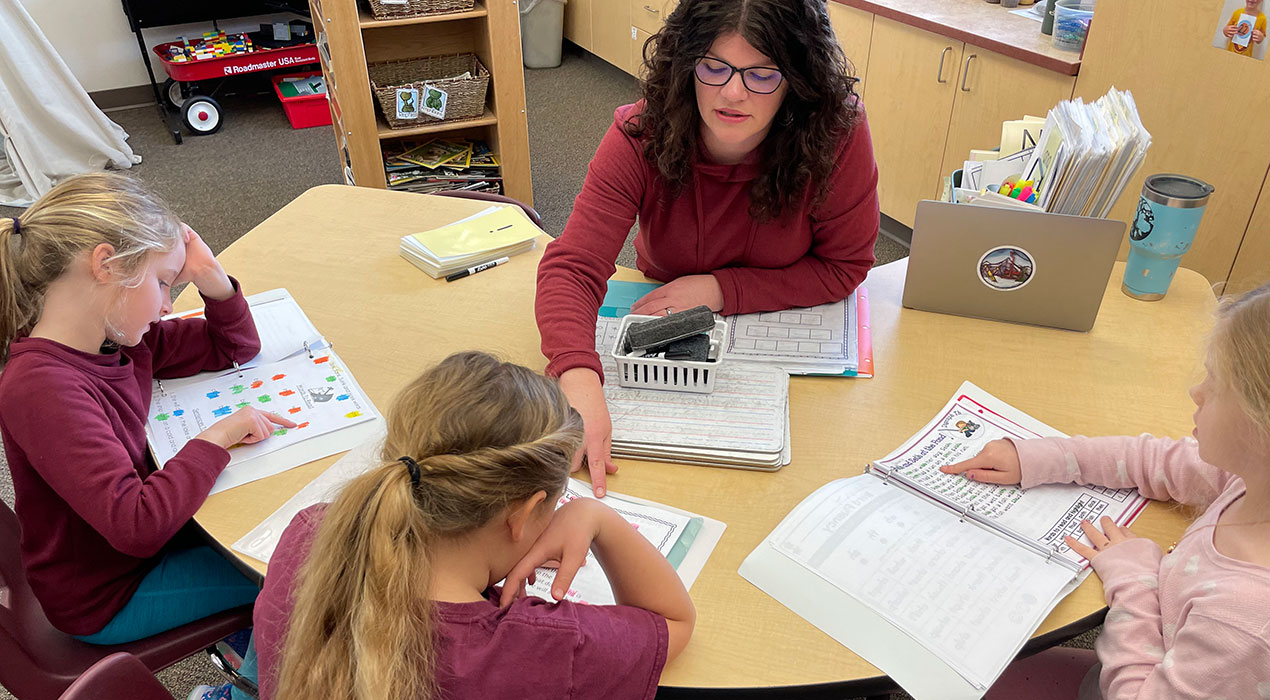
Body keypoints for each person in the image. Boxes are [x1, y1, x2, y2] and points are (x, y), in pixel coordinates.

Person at [535, 0, 879, 496]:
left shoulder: (836, 132)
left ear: (799, 80)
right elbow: (573, 267)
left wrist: (721, 289)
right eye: (713, 67)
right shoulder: (642, 132)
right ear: (685, 62)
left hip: (784, 339)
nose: (732, 93)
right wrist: (578, 377)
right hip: (666, 316)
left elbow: (844, 267)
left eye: (762, 74)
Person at [0, 173, 294, 700]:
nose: (166, 305)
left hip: (129, 556)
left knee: (283, 533)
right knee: (298, 573)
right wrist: (218, 437)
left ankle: (247, 637)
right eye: (162, 283)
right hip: (106, 594)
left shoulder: (113, 338)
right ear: (106, 265)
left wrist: (211, 277)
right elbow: (136, 525)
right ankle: (243, 691)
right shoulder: (40, 389)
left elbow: (233, 347)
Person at [254, 351, 696, 700]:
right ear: (522, 515)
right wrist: (596, 516)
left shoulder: (310, 535)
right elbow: (673, 621)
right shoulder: (541, 646)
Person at [944, 283, 1270, 699]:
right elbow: (1149, 459)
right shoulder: (1250, 477)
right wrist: (1043, 458)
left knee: (955, 676)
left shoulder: (1245, 622)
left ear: (1261, 426)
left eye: (1216, 383)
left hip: (1133, 681)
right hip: (1162, 661)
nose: (1196, 392)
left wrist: (1136, 580)